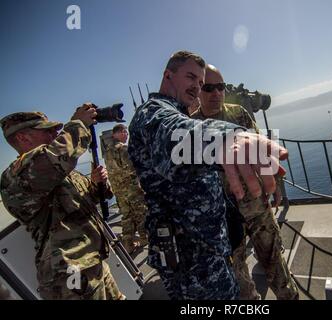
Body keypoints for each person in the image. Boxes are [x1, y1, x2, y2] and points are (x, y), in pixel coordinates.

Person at [128, 51, 288, 300]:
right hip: (193, 265)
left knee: (272, 260)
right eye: (192, 77)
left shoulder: (227, 113)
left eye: (201, 82)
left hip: (214, 245)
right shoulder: (153, 114)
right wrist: (227, 137)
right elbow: (175, 134)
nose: (198, 87)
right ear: (168, 75)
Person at [192, 64, 299, 300]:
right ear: (198, 90)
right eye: (209, 88)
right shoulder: (191, 127)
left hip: (255, 203)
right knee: (237, 273)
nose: (216, 93)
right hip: (223, 214)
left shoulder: (238, 113)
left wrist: (278, 183)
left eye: (220, 87)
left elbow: (261, 147)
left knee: (274, 261)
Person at [0, 106, 124, 300]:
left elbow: (88, 199)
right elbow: (56, 157)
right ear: (23, 138)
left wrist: (97, 185)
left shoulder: (59, 173)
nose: (55, 134)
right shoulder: (16, 177)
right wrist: (79, 123)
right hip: (68, 277)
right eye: (47, 131)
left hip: (92, 264)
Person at [104, 124, 148, 253]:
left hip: (118, 190)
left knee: (126, 215)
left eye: (126, 132)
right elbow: (132, 168)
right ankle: (144, 238)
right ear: (114, 134)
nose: (126, 134)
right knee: (140, 213)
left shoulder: (107, 151)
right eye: (122, 132)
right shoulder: (123, 149)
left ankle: (128, 243)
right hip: (131, 188)